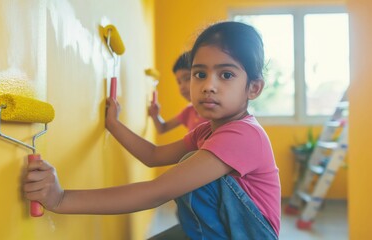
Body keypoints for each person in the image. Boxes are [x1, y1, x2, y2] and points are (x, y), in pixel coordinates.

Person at [23, 21, 281, 239]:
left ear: (253, 88)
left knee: (191, 163)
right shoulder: (206, 131)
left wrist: (60, 199)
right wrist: (114, 124)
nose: (208, 86)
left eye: (226, 75)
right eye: (199, 74)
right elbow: (154, 156)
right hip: (226, 228)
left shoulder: (244, 134)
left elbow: (158, 191)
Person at [148, 51, 208, 133]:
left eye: (187, 78)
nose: (182, 86)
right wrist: (155, 116)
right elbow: (162, 128)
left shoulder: (214, 111)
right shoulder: (189, 111)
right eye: (179, 82)